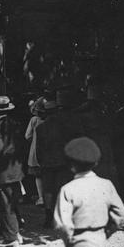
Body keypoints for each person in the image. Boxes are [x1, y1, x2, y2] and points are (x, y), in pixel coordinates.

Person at [36, 90, 85, 228]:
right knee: (63, 189)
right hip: (64, 161)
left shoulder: (40, 128)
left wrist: (41, 162)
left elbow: (38, 150)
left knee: (48, 190)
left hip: (47, 162)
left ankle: (48, 217)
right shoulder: (65, 125)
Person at [0, 96, 26, 247]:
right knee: (13, 201)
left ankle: (11, 238)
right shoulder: (15, 124)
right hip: (16, 167)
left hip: (3, 169)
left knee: (5, 204)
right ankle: (16, 232)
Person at [25, 97, 46, 206]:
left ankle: (41, 197)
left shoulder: (34, 120)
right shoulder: (50, 119)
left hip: (35, 149)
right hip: (48, 149)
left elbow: (27, 136)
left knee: (38, 175)